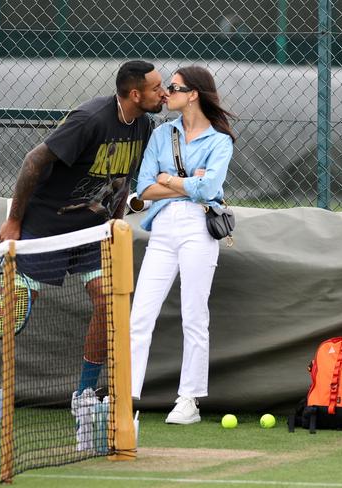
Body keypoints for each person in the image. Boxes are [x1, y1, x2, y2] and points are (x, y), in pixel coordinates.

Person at [0, 60, 166, 426]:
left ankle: (84, 396)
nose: (164, 93)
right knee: (5, 312)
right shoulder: (90, 119)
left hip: (90, 231)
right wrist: (15, 220)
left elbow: (120, 179)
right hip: (45, 227)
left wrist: (114, 223)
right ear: (135, 93)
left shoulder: (143, 124)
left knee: (109, 303)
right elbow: (34, 160)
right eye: (157, 88)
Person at [129, 65, 235, 425]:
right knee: (140, 314)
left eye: (174, 88)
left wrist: (169, 179)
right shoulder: (162, 134)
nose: (166, 93)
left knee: (194, 315)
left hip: (198, 229)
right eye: (167, 87)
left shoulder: (220, 140)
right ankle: (126, 394)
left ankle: (188, 400)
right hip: (162, 228)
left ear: (193, 94)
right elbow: (144, 188)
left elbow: (208, 192)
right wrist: (188, 181)